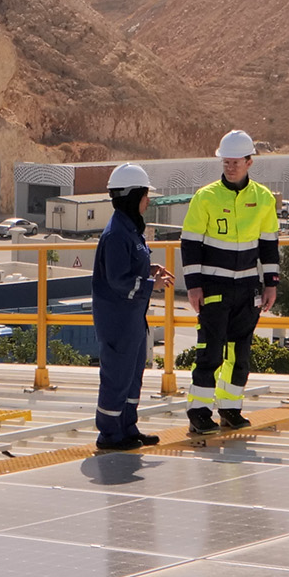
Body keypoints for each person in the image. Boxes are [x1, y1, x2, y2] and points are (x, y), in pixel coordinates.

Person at [180, 129, 278, 434]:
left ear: (249, 162)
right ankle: (198, 412)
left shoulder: (263, 198)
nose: (230, 166)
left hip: (247, 289)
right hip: (213, 288)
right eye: (225, 161)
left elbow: (269, 244)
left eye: (236, 161)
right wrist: (194, 285)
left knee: (240, 352)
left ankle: (230, 408)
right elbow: (190, 243)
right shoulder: (206, 197)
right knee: (209, 350)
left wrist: (271, 283)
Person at [89, 163, 171, 450]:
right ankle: (110, 434)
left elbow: (131, 267)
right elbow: (118, 280)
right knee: (116, 376)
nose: (148, 201)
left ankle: (127, 427)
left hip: (132, 318)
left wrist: (150, 269)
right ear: (133, 196)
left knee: (133, 373)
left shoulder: (130, 229)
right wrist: (152, 285)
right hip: (118, 320)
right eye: (145, 195)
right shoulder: (116, 235)